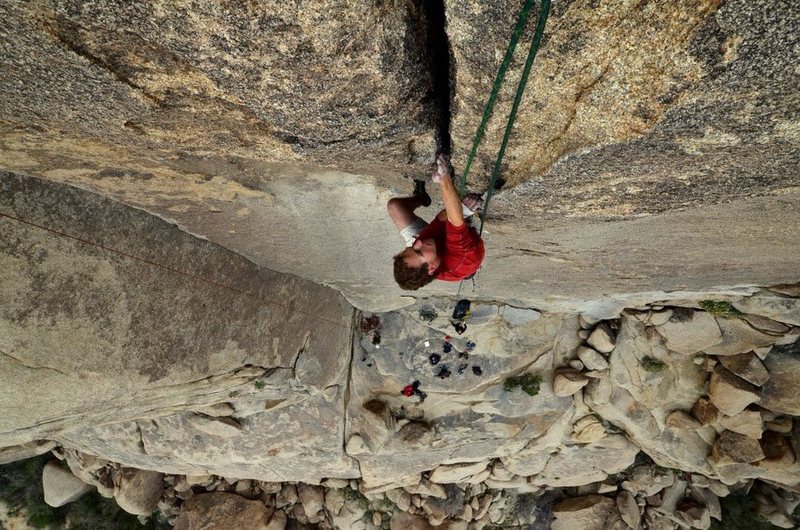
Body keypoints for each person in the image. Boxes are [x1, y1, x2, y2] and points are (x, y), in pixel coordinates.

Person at [387, 155, 485, 290]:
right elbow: (455, 221)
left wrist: (460, 209)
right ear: (431, 268)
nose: (417, 242)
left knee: (395, 207)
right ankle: (469, 273)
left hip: (434, 250)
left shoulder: (421, 245)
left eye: (411, 247)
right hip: (464, 253)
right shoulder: (459, 261)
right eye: (418, 251)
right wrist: (444, 178)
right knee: (458, 216)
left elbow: (442, 218)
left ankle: (422, 198)